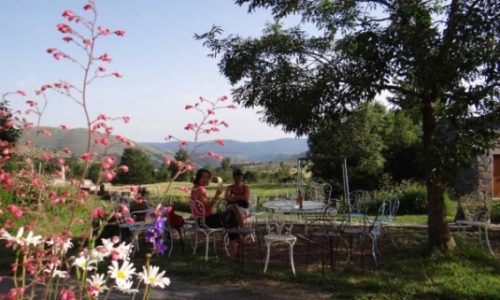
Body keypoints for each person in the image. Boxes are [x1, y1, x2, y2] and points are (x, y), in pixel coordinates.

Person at [190, 168, 244, 255]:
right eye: (204, 177)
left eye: (208, 177)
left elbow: (204, 208)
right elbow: (208, 206)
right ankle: (240, 235)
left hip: (200, 221)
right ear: (198, 178)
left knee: (232, 212)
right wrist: (216, 195)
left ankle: (236, 241)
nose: (206, 179)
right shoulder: (200, 190)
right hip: (206, 222)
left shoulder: (195, 188)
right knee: (232, 213)